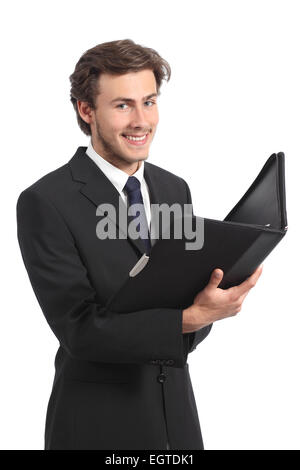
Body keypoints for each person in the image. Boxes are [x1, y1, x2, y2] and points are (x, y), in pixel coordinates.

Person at [16, 39, 263, 450]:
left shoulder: (173, 188)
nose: (141, 121)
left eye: (149, 102)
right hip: (96, 424)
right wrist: (189, 318)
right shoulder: (46, 202)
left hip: (176, 419)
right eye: (123, 105)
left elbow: (182, 305)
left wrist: (209, 304)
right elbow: (80, 330)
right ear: (86, 110)